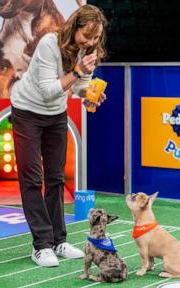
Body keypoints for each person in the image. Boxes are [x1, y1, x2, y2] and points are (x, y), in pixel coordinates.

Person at [10, 4, 108, 267]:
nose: (90, 42)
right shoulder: (49, 43)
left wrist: (90, 98)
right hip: (27, 112)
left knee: (55, 178)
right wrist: (76, 72)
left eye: (96, 38)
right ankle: (41, 245)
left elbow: (80, 88)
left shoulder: (89, 51)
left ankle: (58, 240)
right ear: (74, 27)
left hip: (56, 116)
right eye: (86, 36)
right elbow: (48, 91)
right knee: (32, 179)